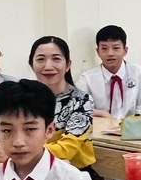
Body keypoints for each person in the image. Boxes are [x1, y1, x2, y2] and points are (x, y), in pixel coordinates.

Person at [28, 36, 96, 171]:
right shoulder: (23, 99)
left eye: (56, 59)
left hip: (72, 174)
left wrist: (20, 153)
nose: (48, 66)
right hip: (29, 170)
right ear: (31, 65)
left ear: (68, 65)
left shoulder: (81, 101)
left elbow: (66, 150)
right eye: (40, 59)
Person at [79, 24, 141, 120]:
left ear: (125, 50)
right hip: (101, 127)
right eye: (104, 48)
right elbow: (81, 109)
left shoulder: (138, 72)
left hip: (132, 126)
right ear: (98, 51)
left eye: (116, 48)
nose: (110, 53)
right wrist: (100, 114)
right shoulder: (87, 79)